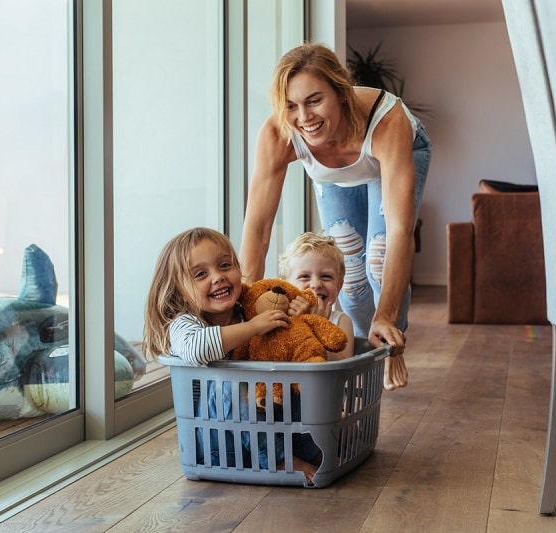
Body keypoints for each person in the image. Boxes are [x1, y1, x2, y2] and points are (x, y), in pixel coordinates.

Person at [239, 42, 432, 391]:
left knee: (377, 256)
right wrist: (243, 306)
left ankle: (389, 340)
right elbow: (258, 227)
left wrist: (387, 315)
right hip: (337, 176)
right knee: (351, 276)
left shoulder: (388, 121)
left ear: (341, 93)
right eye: (291, 106)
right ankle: (360, 352)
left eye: (314, 100)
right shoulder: (278, 133)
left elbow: (401, 230)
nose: (304, 117)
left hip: (393, 154)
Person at [142, 226, 320, 483]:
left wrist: (297, 317)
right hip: (218, 443)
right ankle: (279, 459)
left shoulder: (247, 311)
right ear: (179, 291)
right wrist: (254, 327)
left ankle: (311, 450)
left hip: (263, 433)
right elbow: (197, 348)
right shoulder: (185, 323)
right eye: (200, 274)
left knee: (288, 380)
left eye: (225, 265)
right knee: (231, 381)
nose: (218, 277)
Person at [278, 231, 355, 360]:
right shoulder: (280, 316)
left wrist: (317, 325)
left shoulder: (341, 321)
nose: (316, 284)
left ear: (339, 286)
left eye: (326, 276)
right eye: (304, 277)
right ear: (286, 286)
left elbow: (342, 364)